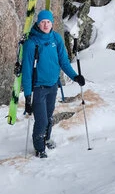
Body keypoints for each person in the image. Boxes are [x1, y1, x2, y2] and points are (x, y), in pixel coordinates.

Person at [22, 10, 85, 158]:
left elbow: (64, 62)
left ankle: (47, 138)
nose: (46, 25)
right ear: (38, 23)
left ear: (52, 23)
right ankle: (39, 148)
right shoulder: (31, 44)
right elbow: (27, 71)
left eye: (48, 22)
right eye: (43, 22)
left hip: (53, 86)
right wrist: (27, 97)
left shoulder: (56, 39)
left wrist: (75, 77)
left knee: (49, 117)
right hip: (38, 88)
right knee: (42, 120)